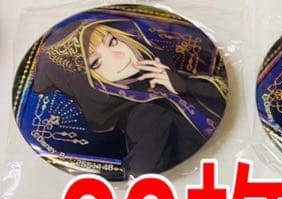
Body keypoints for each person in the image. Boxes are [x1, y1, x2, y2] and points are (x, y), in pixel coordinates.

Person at [33, 17, 227, 179]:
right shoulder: (147, 114)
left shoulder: (159, 81)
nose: (119, 55)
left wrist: (183, 85)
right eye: (96, 62)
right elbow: (142, 175)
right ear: (85, 81)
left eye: (112, 42)